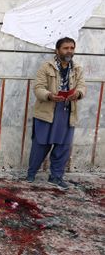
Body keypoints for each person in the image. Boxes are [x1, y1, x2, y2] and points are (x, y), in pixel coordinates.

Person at [26, 37, 86, 189]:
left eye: (72, 48)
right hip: (47, 110)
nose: (69, 51)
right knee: (41, 144)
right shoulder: (46, 67)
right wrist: (49, 96)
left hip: (67, 112)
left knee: (63, 146)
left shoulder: (77, 69)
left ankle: (56, 177)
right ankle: (31, 173)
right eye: (66, 48)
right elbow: (38, 87)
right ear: (57, 50)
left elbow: (82, 87)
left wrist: (77, 94)